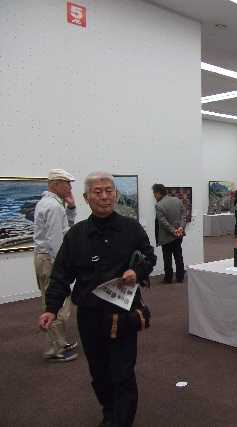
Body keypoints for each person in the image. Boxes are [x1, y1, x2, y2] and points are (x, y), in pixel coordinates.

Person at [39, 172, 156, 427]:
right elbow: (61, 275)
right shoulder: (76, 235)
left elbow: (149, 257)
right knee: (99, 373)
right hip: (90, 316)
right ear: (86, 197)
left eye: (108, 191)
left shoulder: (132, 229)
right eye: (97, 191)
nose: (104, 196)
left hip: (123, 314)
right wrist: (51, 308)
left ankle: (121, 421)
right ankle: (109, 413)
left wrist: (137, 272)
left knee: (123, 373)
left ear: (116, 194)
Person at [33, 168, 78, 362]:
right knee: (57, 302)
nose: (69, 188)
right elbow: (55, 241)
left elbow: (65, 230)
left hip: (45, 258)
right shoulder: (52, 206)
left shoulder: (51, 204)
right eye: (67, 184)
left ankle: (59, 342)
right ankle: (56, 349)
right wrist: (63, 266)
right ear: (56, 184)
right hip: (50, 260)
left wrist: (71, 208)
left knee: (54, 300)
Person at [152, 184, 186, 283]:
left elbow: (163, 222)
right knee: (178, 256)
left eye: (154, 193)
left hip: (166, 237)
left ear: (158, 193)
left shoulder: (159, 205)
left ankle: (168, 278)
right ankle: (180, 276)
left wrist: (173, 231)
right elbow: (184, 215)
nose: (154, 195)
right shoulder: (177, 200)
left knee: (167, 258)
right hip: (179, 235)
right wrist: (181, 227)